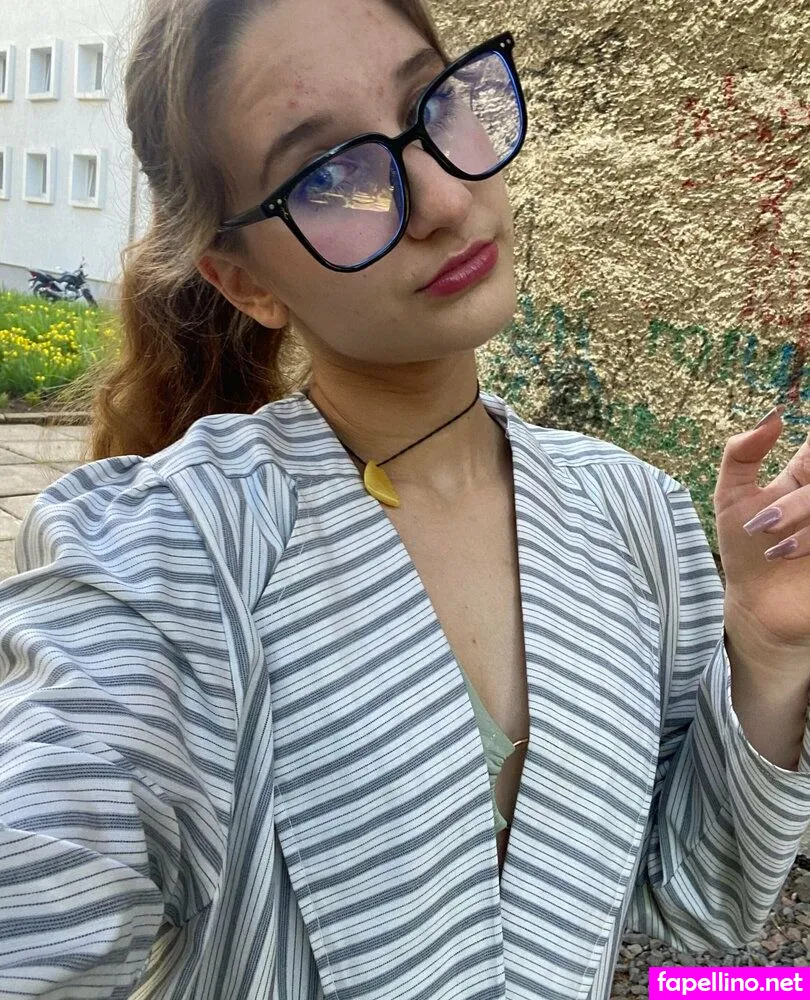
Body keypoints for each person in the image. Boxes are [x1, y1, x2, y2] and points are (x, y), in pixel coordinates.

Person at [1, 0, 810, 997]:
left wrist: (769, 652)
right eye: (328, 173)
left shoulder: (632, 515)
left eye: (435, 103)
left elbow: (698, 899)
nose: (441, 197)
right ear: (245, 283)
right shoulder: (170, 553)